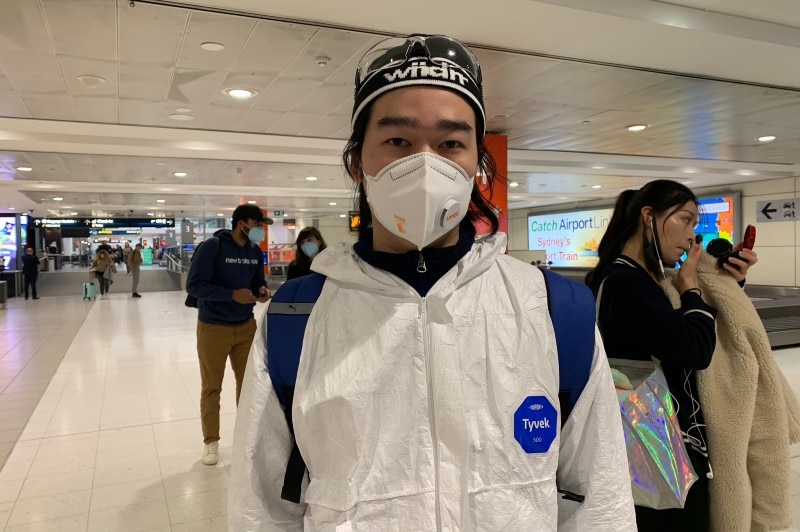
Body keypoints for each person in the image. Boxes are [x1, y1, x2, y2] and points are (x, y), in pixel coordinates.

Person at [229, 34, 635, 531]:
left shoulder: (554, 310)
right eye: (398, 140)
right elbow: (262, 506)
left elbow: (600, 500)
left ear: (475, 165)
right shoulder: (298, 318)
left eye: (450, 143)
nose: (425, 163)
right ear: (358, 161)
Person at [584, 180, 758, 531]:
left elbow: (674, 329)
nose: (692, 237)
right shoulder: (625, 282)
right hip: (655, 449)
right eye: (686, 220)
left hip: (652, 444)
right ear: (648, 216)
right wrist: (691, 285)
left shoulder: (633, 277)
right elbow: (693, 350)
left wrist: (727, 285)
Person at [185, 204, 272, 467]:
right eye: (257, 224)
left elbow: (259, 280)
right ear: (242, 222)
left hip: (245, 325)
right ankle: (211, 442)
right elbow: (194, 285)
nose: (260, 229)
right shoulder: (213, 246)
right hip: (213, 326)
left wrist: (262, 290)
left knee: (248, 387)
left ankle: (245, 439)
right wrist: (230, 295)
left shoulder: (254, 251)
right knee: (212, 387)